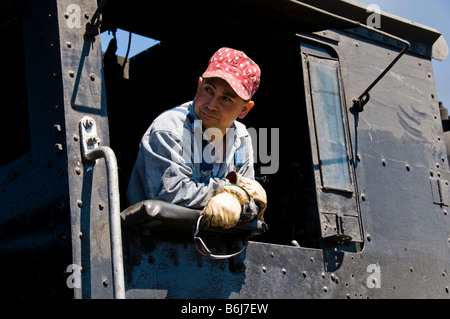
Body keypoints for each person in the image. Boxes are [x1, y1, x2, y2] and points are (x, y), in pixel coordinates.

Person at [126, 47, 267, 229]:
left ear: (244, 109)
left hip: (219, 247)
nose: (212, 104)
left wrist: (243, 199)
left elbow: (252, 202)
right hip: (155, 244)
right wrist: (229, 191)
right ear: (199, 85)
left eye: (226, 98)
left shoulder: (242, 138)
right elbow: (170, 194)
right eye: (209, 90)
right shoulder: (169, 129)